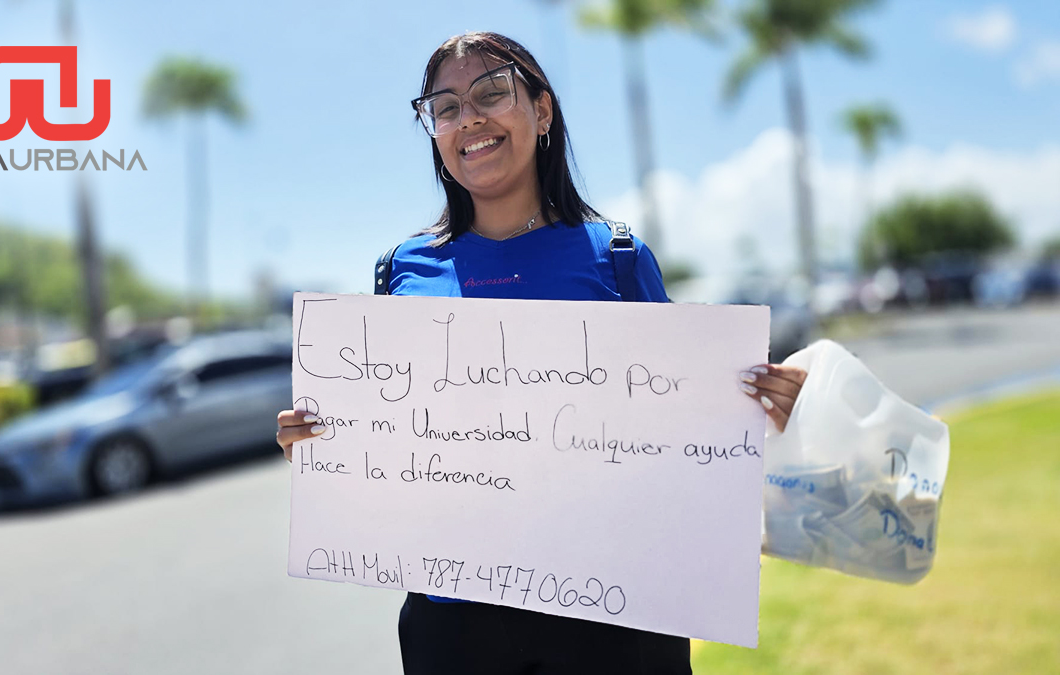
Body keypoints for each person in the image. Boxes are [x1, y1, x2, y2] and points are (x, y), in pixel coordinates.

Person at [276, 31, 809, 675]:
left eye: (492, 92)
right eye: (444, 107)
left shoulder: (616, 259)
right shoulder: (400, 272)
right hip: (456, 624)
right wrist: (323, 441)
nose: (468, 118)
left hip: (614, 613)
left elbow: (685, 431)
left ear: (543, 111)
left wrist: (759, 409)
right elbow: (386, 441)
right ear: (434, 131)